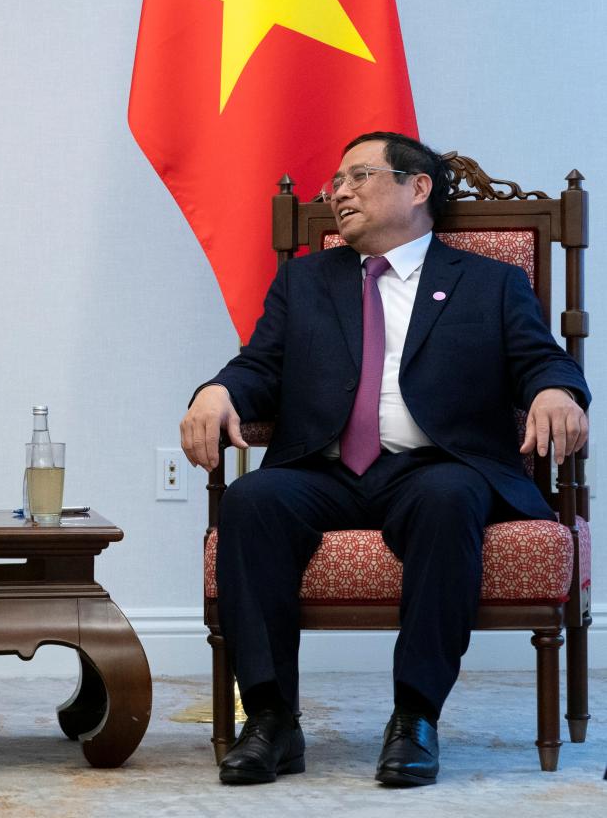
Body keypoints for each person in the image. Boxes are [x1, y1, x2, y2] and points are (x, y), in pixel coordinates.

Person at [181, 132, 589, 788]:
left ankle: (415, 717)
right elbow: (260, 365)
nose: (338, 191)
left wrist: (554, 390)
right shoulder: (305, 280)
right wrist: (218, 391)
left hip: (435, 467)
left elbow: (540, 359)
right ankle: (270, 718)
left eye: (357, 177)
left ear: (416, 187)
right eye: (334, 183)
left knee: (448, 497)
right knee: (253, 500)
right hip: (323, 468)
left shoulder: (490, 283)